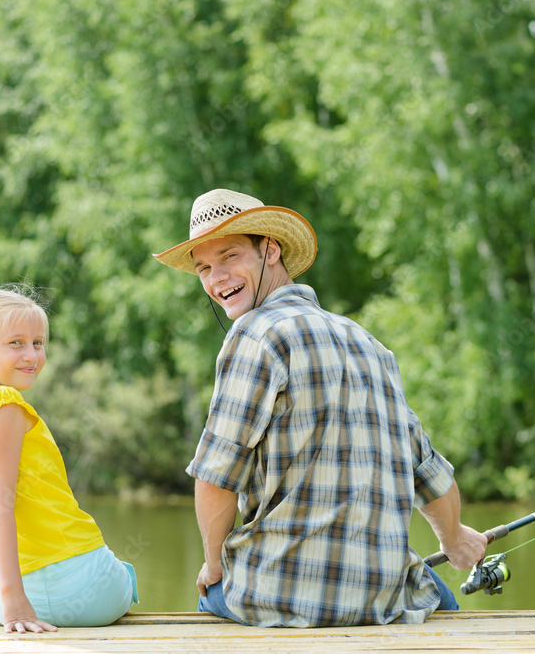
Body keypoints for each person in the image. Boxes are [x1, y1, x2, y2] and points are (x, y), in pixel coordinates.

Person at [154, 188, 487, 627]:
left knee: (211, 594)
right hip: (384, 600)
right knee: (438, 598)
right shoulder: (369, 343)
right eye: (204, 267)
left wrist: (213, 565)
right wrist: (454, 537)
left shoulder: (254, 335)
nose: (217, 278)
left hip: (273, 595)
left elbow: (217, 477)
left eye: (230, 256)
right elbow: (425, 470)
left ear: (270, 250)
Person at [0, 285, 138, 634]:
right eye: (16, 343)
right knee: (123, 574)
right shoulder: (4, 404)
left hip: (13, 602)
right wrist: (14, 599)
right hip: (86, 592)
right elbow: (0, 508)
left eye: (38, 342)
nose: (32, 354)